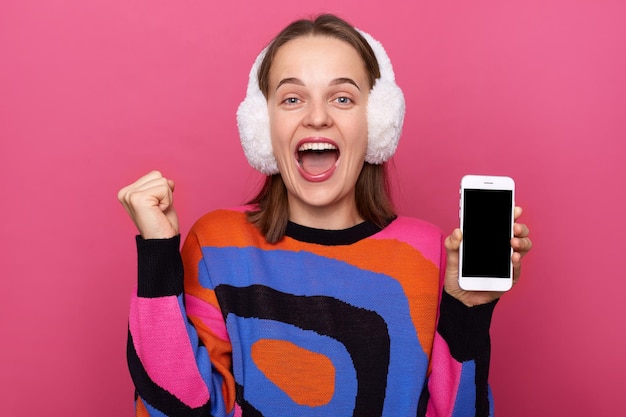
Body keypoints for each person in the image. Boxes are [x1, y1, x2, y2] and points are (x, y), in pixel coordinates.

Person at [118, 14, 532, 417]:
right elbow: (172, 410)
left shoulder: (429, 254)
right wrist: (158, 256)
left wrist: (468, 311)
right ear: (263, 127)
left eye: (343, 98)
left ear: (377, 122)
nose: (317, 117)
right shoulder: (217, 244)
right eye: (293, 99)